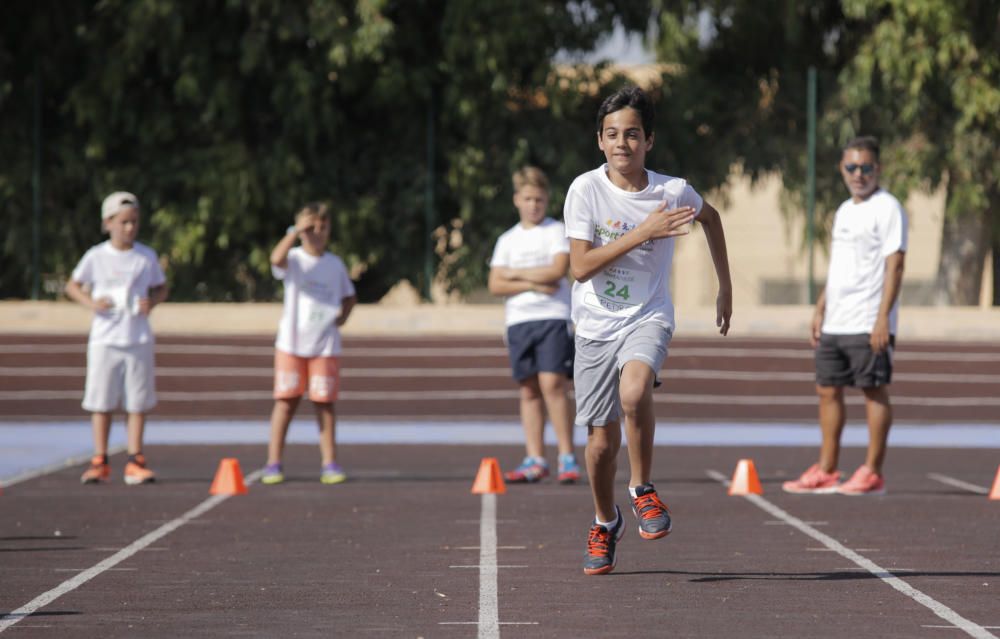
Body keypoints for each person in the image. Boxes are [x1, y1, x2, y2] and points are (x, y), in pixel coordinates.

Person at [564, 86, 732, 575]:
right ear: (600, 141)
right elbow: (579, 267)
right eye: (612, 134)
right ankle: (604, 519)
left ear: (649, 141)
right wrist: (641, 233)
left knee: (635, 391)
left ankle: (642, 489)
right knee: (599, 447)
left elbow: (713, 218)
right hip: (595, 324)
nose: (623, 143)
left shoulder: (672, 191)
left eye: (632, 134)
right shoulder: (585, 191)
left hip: (647, 315)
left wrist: (725, 287)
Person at [783, 136, 907, 496]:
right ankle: (827, 469)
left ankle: (872, 470)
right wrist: (821, 308)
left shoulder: (888, 208)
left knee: (873, 390)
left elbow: (896, 266)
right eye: (851, 167)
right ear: (842, 169)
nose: (858, 174)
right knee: (827, 390)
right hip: (837, 318)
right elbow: (839, 267)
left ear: (877, 169)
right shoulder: (843, 211)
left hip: (869, 319)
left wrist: (883, 318)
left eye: (866, 167)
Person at [65, 191, 168, 485]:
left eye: (134, 222)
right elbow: (73, 285)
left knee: (137, 402)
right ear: (108, 222)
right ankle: (100, 459)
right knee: (101, 401)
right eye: (123, 222)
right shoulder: (96, 256)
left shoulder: (146, 256)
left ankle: (136, 459)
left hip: (137, 338)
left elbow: (161, 288)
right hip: (104, 339)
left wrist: (153, 302)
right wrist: (91, 303)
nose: (129, 228)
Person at [488, 166, 580, 484]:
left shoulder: (557, 231)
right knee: (528, 389)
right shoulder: (507, 240)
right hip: (518, 321)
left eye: (539, 199)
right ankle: (535, 458)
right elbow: (495, 284)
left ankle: (567, 455)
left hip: (552, 318)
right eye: (528, 199)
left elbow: (556, 271)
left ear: (547, 200)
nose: (533, 205)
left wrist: (514, 275)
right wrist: (532, 283)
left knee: (554, 386)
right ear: (517, 200)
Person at [262, 203, 357, 485]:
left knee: (324, 404)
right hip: (291, 344)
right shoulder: (294, 259)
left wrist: (342, 319)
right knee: (286, 402)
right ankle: (273, 462)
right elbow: (275, 259)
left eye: (322, 227)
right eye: (311, 227)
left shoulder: (335, 265)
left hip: (324, 346)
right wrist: (294, 232)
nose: (317, 233)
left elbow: (349, 297)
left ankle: (329, 462)